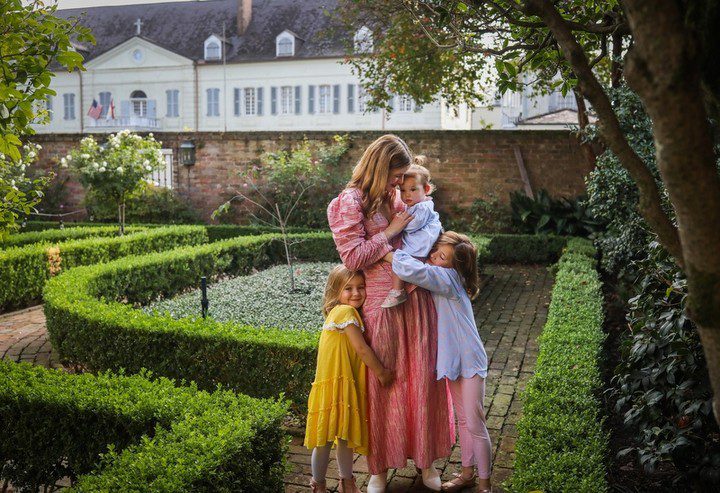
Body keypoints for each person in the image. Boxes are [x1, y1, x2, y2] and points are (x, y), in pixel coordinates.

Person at [327, 134, 453, 493]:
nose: (400, 183)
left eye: (402, 177)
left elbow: (423, 233)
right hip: (380, 303)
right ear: (381, 167)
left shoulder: (395, 195)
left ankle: (427, 461)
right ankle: (378, 469)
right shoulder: (348, 202)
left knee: (424, 380)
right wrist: (392, 232)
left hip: (416, 300)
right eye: (396, 175)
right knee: (384, 385)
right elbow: (352, 258)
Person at [388, 232, 492, 493]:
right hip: (453, 360)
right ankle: (467, 474)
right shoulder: (445, 276)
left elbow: (411, 269)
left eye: (441, 256)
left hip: (470, 360)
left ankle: (485, 484)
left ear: (455, 265)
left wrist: (385, 251)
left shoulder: (447, 278)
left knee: (475, 421)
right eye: (435, 250)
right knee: (464, 421)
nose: (433, 256)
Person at [304, 266, 393, 493]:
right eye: (348, 289)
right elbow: (362, 349)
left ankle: (343, 482)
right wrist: (381, 372)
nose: (356, 293)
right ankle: (323, 484)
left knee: (336, 437)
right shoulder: (346, 313)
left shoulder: (340, 312)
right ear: (336, 291)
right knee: (331, 439)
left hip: (338, 385)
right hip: (338, 385)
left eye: (361, 287)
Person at [381, 158, 442, 308]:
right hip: (417, 244)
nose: (407, 195)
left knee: (398, 261)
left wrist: (395, 220)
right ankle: (398, 289)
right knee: (399, 262)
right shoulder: (416, 204)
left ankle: (397, 291)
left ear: (426, 190)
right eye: (402, 190)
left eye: (413, 189)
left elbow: (412, 225)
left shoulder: (423, 207)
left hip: (419, 246)